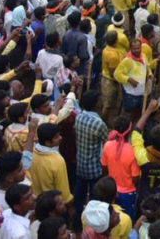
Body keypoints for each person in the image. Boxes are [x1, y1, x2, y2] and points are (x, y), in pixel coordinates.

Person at [75, 90, 109, 230]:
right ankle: (92, 227)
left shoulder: (79, 117)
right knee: (95, 200)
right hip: (94, 167)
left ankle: (78, 224)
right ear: (96, 105)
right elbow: (107, 142)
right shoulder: (99, 123)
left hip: (80, 164)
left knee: (79, 198)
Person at [100, 115, 140, 220]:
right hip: (127, 194)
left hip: (111, 191)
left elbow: (104, 168)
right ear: (130, 132)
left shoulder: (107, 145)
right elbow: (135, 178)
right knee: (127, 220)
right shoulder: (133, 151)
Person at [29, 123, 73, 209]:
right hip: (52, 205)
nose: (60, 138)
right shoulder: (57, 161)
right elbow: (63, 192)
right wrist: (69, 206)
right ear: (47, 142)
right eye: (56, 137)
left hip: (36, 203)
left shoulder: (31, 153)